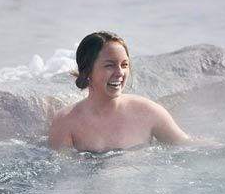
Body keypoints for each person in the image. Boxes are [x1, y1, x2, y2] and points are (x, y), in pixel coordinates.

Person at [48, 31, 203, 152]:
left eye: (124, 65)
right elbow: (62, 175)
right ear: (88, 71)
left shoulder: (148, 112)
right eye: (109, 65)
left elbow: (186, 144)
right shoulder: (67, 122)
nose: (120, 72)